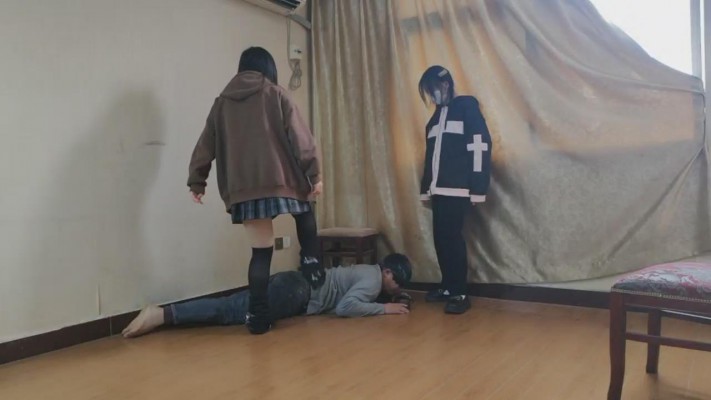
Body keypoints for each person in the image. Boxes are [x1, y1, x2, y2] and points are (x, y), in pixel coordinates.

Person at [187, 47, 323, 335]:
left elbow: (205, 145)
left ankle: (258, 317)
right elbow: (301, 138)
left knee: (261, 254)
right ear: (268, 69)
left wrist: (197, 182)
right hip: (282, 180)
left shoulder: (221, 103)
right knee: (304, 209)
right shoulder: (276, 93)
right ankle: (311, 260)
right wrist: (315, 174)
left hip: (245, 191)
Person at [121, 253, 413, 338]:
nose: (397, 288)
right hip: (297, 292)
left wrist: (389, 301)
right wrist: (384, 310)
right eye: (397, 282)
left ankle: (166, 313)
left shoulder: (369, 274)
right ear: (387, 272)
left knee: (234, 304)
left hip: (293, 284)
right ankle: (162, 314)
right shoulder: (373, 280)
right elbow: (346, 307)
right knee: (232, 310)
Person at [417, 65, 493, 314]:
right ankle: (448, 286)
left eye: (433, 88)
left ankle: (460, 292)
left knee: (452, 238)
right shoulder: (436, 118)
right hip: (438, 190)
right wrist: (427, 188)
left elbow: (480, 145)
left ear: (446, 84)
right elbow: (430, 157)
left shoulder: (466, 107)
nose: (432, 95)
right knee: (440, 238)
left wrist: (478, 187)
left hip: (458, 189)